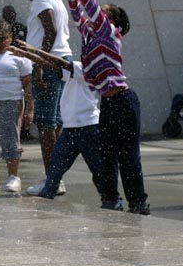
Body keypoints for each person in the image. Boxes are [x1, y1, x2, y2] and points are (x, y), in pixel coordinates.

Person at [61, 0, 150, 215]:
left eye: (104, 12)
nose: (98, 14)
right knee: (107, 158)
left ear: (112, 21)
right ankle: (111, 201)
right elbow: (77, 13)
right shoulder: (90, 35)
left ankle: (138, 204)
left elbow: (89, 6)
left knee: (128, 158)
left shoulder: (109, 32)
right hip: (108, 105)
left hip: (123, 101)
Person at [9, 41, 122, 209]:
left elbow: (61, 63)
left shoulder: (89, 69)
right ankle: (48, 194)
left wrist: (34, 50)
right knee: (56, 165)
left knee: (99, 169)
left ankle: (112, 201)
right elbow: (51, 65)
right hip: (71, 129)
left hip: (88, 127)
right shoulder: (76, 69)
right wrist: (27, 55)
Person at [22, 0, 72, 196]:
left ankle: (52, 181)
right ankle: (56, 177)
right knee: (55, 123)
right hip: (61, 61)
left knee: (46, 124)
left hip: (50, 64)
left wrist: (40, 64)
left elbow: (50, 30)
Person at [0, 22, 33, 193]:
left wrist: (29, 109)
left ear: (10, 38)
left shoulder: (19, 56)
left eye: (3, 39)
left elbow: (27, 85)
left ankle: (13, 176)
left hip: (10, 102)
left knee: (10, 138)